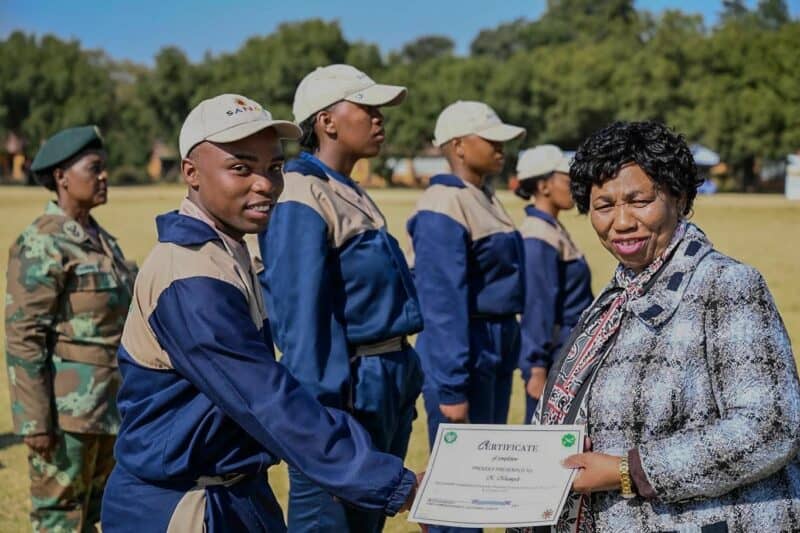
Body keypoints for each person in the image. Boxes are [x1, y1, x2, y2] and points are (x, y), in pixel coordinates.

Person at [100, 94, 418, 532]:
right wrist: (391, 482)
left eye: (273, 167)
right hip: (185, 504)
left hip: (235, 490)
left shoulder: (227, 249)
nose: (265, 184)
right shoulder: (188, 276)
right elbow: (265, 399)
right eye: (241, 168)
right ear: (190, 173)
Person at [520, 121, 800, 532]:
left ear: (679, 197)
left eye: (639, 200)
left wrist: (627, 470)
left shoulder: (726, 285)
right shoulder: (615, 297)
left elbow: (771, 427)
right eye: (603, 205)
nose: (621, 221)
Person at [257, 64, 424, 533]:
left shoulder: (344, 189)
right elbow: (301, 321)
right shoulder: (299, 192)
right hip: (343, 394)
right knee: (327, 523)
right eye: (367, 108)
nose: (379, 119)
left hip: (384, 381)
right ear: (326, 121)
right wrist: (321, 427)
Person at [5, 126, 137, 532]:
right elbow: (24, 337)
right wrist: (36, 421)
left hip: (109, 407)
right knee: (60, 518)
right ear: (62, 177)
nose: (104, 176)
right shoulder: (43, 243)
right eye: (94, 168)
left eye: (105, 168)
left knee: (104, 514)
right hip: (67, 417)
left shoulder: (100, 240)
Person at [408, 100, 526, 532]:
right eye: (490, 139)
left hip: (493, 344)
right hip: (463, 347)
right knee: (459, 486)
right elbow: (442, 303)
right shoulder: (443, 202)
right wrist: (451, 387)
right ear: (457, 145)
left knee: (481, 474)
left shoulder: (482, 196)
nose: (501, 148)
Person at [513, 145, 593, 423]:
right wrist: (536, 367)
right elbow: (537, 305)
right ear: (544, 185)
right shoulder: (538, 236)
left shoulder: (552, 230)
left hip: (568, 352)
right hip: (554, 358)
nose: (574, 187)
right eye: (567, 180)